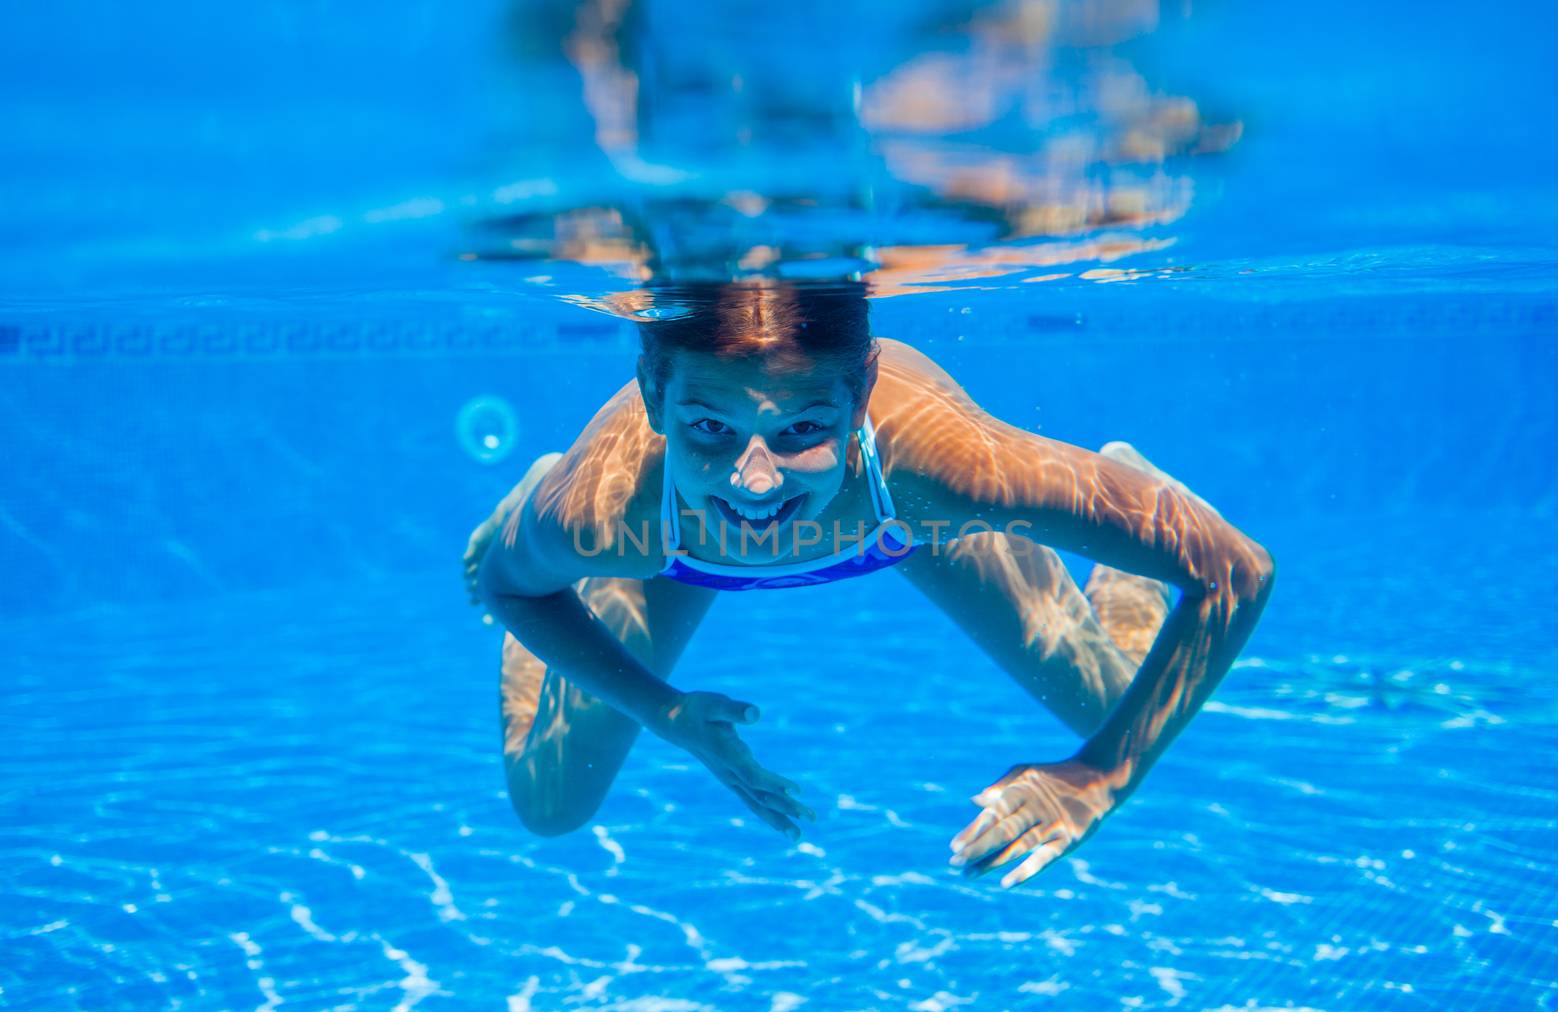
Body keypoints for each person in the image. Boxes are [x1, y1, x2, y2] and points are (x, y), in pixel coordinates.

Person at [464, 280, 1274, 889]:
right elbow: (508, 586)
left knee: (1115, 715)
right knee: (552, 806)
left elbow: (1237, 570)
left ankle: (1127, 512)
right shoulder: (608, 510)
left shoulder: (944, 468)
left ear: (856, 397)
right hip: (668, 539)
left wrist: (1098, 777)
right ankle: (537, 492)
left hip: (898, 513)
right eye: (711, 427)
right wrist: (662, 710)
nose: (754, 482)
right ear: (653, 396)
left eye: (801, 429)